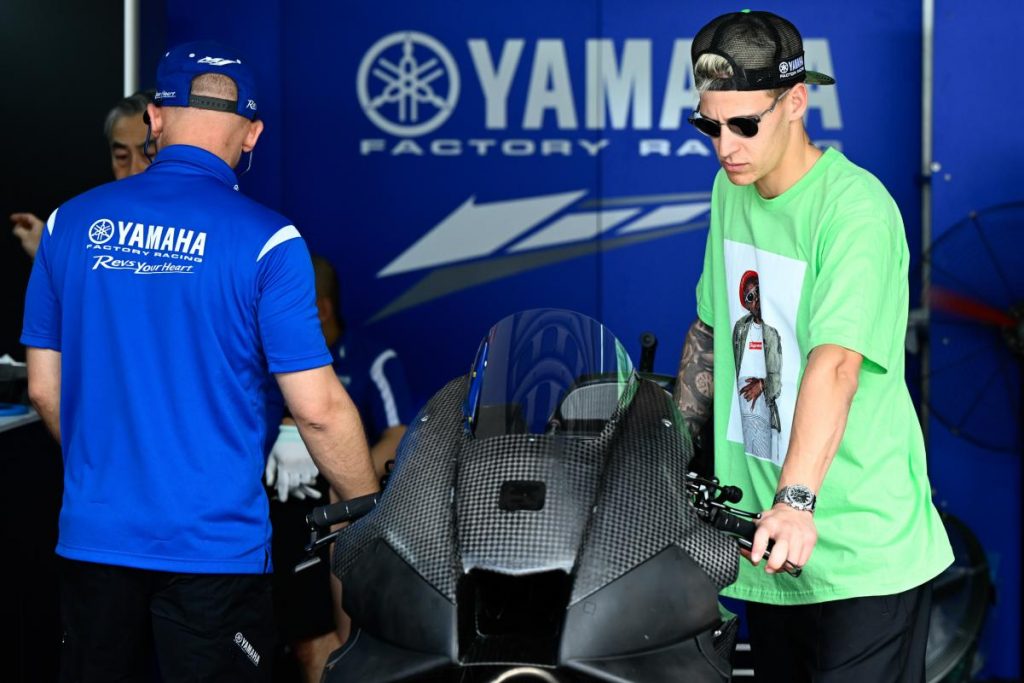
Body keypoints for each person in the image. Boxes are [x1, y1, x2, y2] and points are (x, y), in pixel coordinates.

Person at [21, 41, 378, 682]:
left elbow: (46, 391)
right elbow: (318, 411)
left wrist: (113, 473)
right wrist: (368, 513)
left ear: (156, 119)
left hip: (95, 537)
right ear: (252, 134)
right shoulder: (269, 241)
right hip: (214, 551)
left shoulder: (66, 225)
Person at [672, 11, 952, 681]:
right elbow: (710, 333)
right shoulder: (731, 188)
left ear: (796, 102)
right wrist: (668, 450)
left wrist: (795, 504)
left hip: (857, 550)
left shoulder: (855, 210)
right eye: (711, 126)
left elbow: (836, 365)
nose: (725, 146)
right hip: (766, 545)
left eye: (745, 125)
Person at [264, 253, 415, 683]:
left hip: (334, 515)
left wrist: (344, 481)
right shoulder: (264, 355)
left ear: (321, 309)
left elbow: (398, 434)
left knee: (321, 644)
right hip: (265, 513)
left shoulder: (372, 358)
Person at [10, 90, 154, 258]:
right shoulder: (98, 228)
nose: (134, 170)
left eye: (150, 154)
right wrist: (49, 251)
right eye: (121, 156)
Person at [731, 270, 782, 463]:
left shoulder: (773, 332)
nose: (756, 300)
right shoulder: (740, 327)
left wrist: (761, 385)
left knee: (763, 459)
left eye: (758, 291)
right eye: (750, 297)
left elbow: (777, 379)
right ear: (746, 305)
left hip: (764, 409)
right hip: (741, 412)